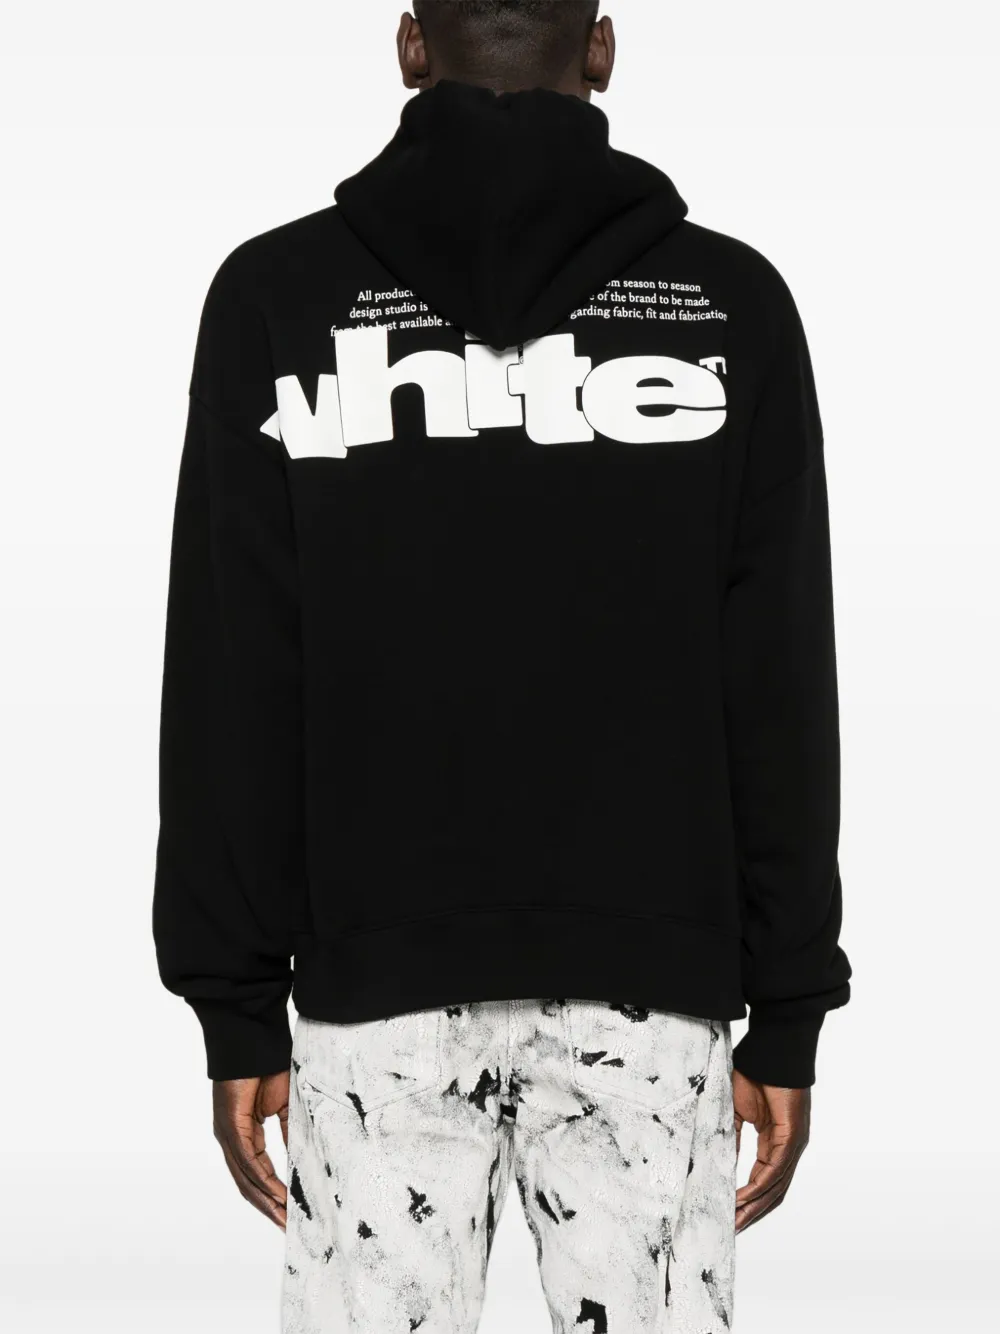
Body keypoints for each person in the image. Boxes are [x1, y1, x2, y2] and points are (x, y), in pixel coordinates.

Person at [153, 3, 852, 1330]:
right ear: (602, 50)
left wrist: (233, 1003)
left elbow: (233, 671)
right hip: (653, 998)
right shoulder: (727, 306)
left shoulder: (279, 299)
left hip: (374, 999)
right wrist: (791, 1000)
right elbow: (775, 681)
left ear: (411, 47)